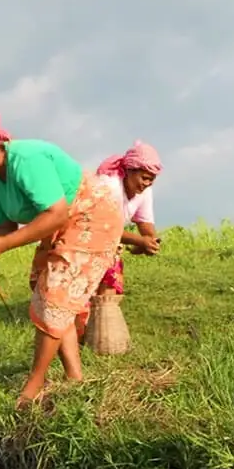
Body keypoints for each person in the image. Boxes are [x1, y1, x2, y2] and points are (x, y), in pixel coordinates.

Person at [0, 102, 124, 407]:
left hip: (90, 214)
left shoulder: (26, 159)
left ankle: (34, 384)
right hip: (60, 221)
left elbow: (56, 214)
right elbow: (6, 225)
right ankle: (74, 377)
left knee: (56, 293)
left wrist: (4, 244)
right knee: (44, 289)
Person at [74, 140, 163, 341]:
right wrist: (140, 242)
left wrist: (150, 240)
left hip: (108, 242)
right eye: (144, 178)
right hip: (84, 236)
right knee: (84, 289)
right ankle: (80, 335)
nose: (147, 184)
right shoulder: (109, 185)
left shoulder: (143, 191)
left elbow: (145, 222)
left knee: (108, 284)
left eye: (152, 179)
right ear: (130, 171)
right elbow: (104, 226)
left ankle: (99, 334)